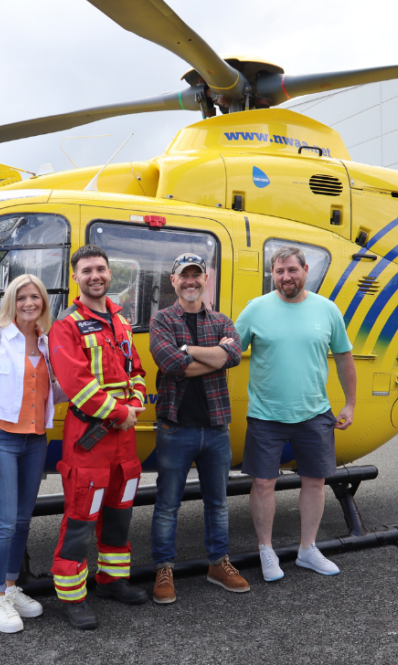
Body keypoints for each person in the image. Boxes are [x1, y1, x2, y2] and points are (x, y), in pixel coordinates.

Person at [234, 245, 357, 581]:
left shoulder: (327, 310)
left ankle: (307, 550)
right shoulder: (255, 309)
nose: (285, 277)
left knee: (315, 483)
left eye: (291, 270)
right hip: (265, 414)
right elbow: (230, 350)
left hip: (314, 412)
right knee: (262, 484)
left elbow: (344, 357)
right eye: (279, 271)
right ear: (272, 274)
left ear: (305, 270)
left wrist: (349, 403)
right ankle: (266, 551)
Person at [49, 245, 148, 630]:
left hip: (124, 443)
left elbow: (136, 370)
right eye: (87, 270)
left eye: (101, 269)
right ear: (76, 277)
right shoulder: (66, 326)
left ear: (110, 274)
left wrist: (136, 400)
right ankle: (73, 598)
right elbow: (77, 384)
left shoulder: (120, 321)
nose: (96, 275)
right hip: (90, 439)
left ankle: (112, 581)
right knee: (79, 520)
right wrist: (122, 413)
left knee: (120, 514)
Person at [149, 253, 248, 604]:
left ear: (206, 279)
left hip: (216, 427)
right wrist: (213, 356)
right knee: (167, 504)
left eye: (197, 275)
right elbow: (170, 363)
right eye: (183, 276)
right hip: (176, 427)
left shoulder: (222, 320)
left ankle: (218, 564)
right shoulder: (161, 320)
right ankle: (164, 569)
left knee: (218, 503)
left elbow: (233, 356)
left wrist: (189, 349)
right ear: (173, 281)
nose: (190, 281)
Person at [0, 273, 57, 633]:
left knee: (22, 521)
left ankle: (10, 587)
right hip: (1, 438)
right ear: (11, 302)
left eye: (35, 297)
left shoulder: (47, 342)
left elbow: (54, 390)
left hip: (35, 440)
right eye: (21, 298)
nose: (29, 303)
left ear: (43, 303)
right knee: (3, 523)